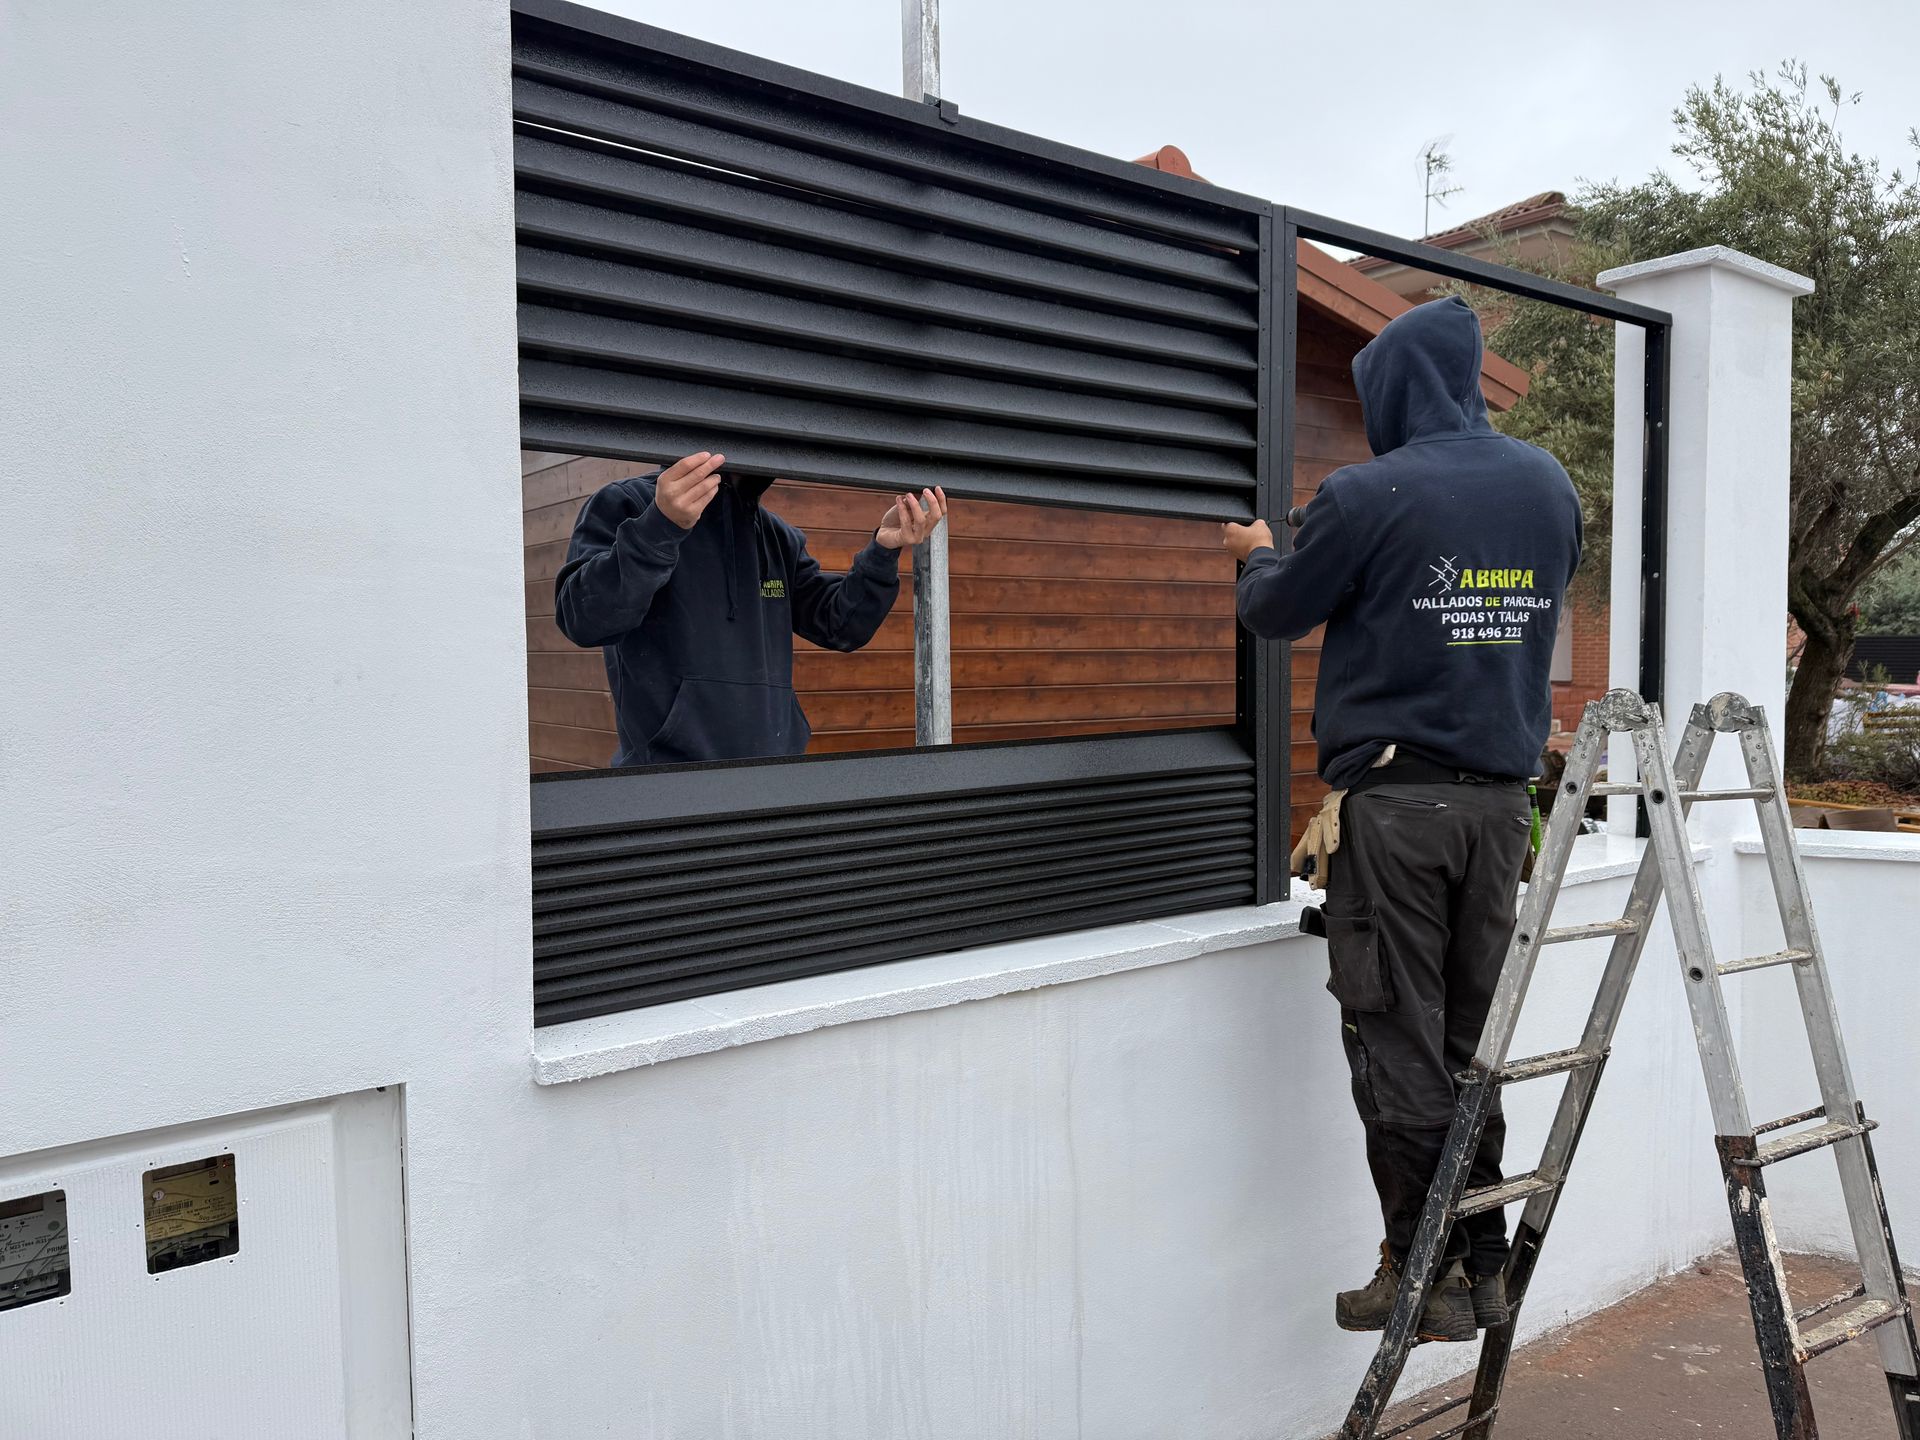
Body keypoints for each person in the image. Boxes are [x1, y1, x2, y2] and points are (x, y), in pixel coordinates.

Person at [1222, 297, 1582, 1343]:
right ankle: (1478, 1264)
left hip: (1398, 812)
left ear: (1394, 390)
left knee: (1396, 1044)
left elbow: (1277, 614)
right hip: (1498, 813)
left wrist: (1256, 551)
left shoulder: (1365, 489)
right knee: (1469, 1042)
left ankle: (1416, 1271)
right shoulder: (1548, 484)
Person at [555, 451, 947, 767]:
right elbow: (584, 619)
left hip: (772, 783)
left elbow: (841, 624)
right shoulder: (629, 505)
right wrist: (661, 526)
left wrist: (884, 549)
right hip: (668, 786)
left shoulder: (776, 535)